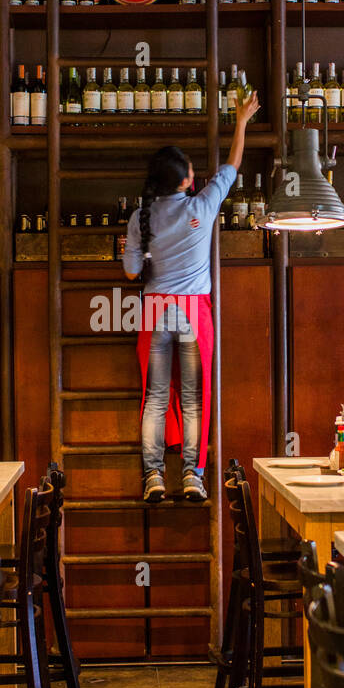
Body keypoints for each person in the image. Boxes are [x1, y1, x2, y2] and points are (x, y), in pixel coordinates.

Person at [122, 88, 260, 503]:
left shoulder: (139, 217)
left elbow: (130, 271)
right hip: (193, 312)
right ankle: (193, 476)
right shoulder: (203, 206)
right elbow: (233, 165)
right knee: (196, 399)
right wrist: (240, 121)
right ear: (185, 181)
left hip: (154, 311)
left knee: (155, 397)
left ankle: (153, 475)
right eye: (190, 169)